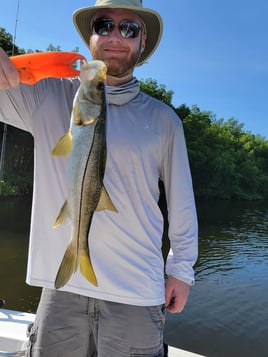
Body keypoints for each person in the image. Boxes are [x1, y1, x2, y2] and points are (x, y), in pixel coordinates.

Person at [0, 0, 198, 356]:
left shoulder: (165, 120)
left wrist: (181, 270)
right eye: (104, 24)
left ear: (142, 40)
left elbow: (182, 202)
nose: (115, 36)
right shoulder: (46, 95)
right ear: (90, 37)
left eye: (129, 28)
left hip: (137, 290)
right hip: (60, 287)